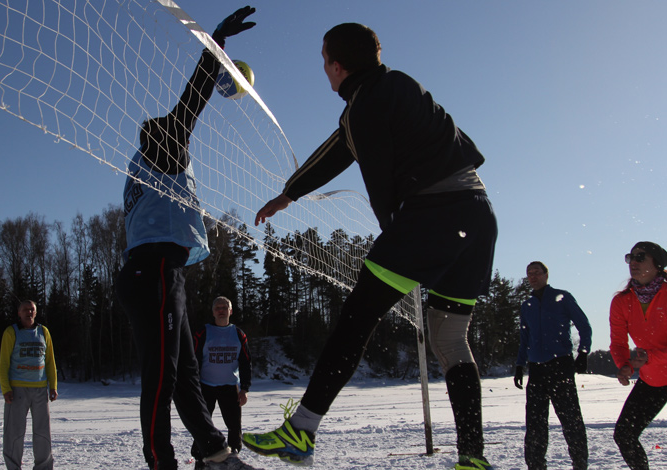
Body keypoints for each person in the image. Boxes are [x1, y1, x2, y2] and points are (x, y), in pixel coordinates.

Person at [242, 23, 497, 470]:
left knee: (357, 318)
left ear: (337, 67)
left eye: (324, 62)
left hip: (433, 216)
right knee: (451, 339)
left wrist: (397, 236)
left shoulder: (364, 106)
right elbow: (343, 145)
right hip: (479, 213)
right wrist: (291, 192)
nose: (324, 70)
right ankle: (473, 458)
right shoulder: (398, 86)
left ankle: (301, 430)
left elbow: (378, 180)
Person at [115, 7, 261, 470]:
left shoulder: (145, 167)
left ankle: (214, 450)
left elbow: (186, 108)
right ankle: (161, 461)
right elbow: (192, 99)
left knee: (184, 376)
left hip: (161, 271)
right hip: (153, 270)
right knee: (162, 377)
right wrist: (216, 46)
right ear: (163, 140)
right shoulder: (164, 149)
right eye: (174, 130)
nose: (182, 135)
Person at [513, 261, 591, 470]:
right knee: (536, 422)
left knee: (570, 418)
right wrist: (520, 365)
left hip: (560, 365)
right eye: (529, 274)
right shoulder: (527, 305)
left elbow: (584, 326)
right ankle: (536, 464)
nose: (533, 277)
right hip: (536, 368)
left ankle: (580, 463)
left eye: (537, 273)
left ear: (546, 275)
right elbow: (525, 337)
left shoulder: (562, 297)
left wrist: (583, 352)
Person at [609, 241, 667, 470]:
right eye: (630, 257)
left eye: (641, 257)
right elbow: (618, 342)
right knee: (624, 435)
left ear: (657, 264)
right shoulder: (622, 301)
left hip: (655, 367)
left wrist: (652, 357)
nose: (633, 262)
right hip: (654, 379)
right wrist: (624, 365)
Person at [191, 297, 252, 468]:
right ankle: (200, 459)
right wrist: (194, 386)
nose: (221, 310)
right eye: (218, 307)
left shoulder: (239, 334)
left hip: (229, 386)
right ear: (213, 312)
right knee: (202, 424)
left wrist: (244, 389)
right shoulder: (203, 333)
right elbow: (194, 361)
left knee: (234, 426)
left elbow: (246, 363)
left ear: (231, 311)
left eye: (225, 307)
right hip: (205, 386)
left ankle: (233, 457)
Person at [0, 300, 58, 470]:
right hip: (17, 390)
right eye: (25, 309)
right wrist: (6, 389)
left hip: (40, 390)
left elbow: (50, 362)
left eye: (32, 309)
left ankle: (44, 467)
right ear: (19, 313)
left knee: (42, 433)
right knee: (14, 433)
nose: (29, 312)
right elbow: (3, 363)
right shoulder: (11, 332)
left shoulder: (43, 332)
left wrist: (53, 386)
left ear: (36, 312)